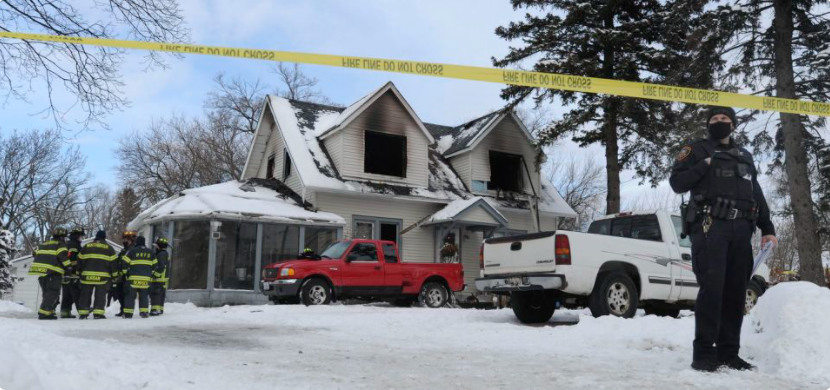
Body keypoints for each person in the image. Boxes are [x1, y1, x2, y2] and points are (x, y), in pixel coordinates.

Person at [670, 106, 778, 372]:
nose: (720, 122)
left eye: (725, 119)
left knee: (735, 292)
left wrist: (768, 227)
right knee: (712, 290)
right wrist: (702, 167)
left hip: (742, 229)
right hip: (710, 227)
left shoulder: (745, 155)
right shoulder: (695, 150)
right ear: (708, 124)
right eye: (715, 119)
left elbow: (757, 192)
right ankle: (704, 354)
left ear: (733, 124)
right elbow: (677, 183)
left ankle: (730, 353)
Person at [28, 227, 70, 320]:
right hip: (53, 272)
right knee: (53, 292)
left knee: (47, 293)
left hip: (41, 273)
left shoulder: (43, 244)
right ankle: (44, 312)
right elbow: (63, 258)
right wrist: (69, 268)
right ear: (62, 237)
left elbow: (34, 253)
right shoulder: (61, 245)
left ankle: (49, 311)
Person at [77, 230, 118, 319]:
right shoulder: (109, 248)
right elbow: (113, 264)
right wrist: (115, 276)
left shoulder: (86, 246)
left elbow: (79, 261)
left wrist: (78, 272)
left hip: (86, 276)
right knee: (100, 295)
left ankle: (83, 313)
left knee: (85, 294)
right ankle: (98, 313)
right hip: (102, 277)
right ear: (104, 237)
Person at [122, 236, 157, 318]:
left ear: (136, 242)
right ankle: (144, 312)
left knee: (130, 296)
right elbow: (155, 266)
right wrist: (150, 275)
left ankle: (128, 314)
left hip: (133, 278)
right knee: (144, 296)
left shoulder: (132, 251)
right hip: (146, 279)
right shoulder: (151, 252)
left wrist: (125, 273)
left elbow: (124, 263)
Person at [59, 228, 84, 318]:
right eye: (81, 236)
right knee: (77, 293)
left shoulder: (67, 244)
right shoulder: (74, 246)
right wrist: (77, 270)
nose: (81, 238)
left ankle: (65, 312)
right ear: (77, 236)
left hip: (65, 274)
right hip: (72, 274)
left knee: (67, 294)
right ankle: (82, 310)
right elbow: (73, 260)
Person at [110, 231, 136, 317]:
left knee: (126, 293)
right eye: (124, 239)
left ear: (132, 240)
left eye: (127, 239)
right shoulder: (124, 250)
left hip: (128, 275)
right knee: (119, 292)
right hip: (121, 275)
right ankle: (122, 309)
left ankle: (126, 310)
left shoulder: (133, 250)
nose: (125, 241)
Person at [149, 237, 170, 316]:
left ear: (160, 246)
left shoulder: (161, 254)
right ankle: (160, 309)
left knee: (155, 294)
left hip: (159, 279)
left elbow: (161, 266)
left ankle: (155, 310)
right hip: (163, 279)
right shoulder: (165, 254)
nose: (155, 247)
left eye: (156, 246)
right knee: (161, 294)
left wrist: (155, 275)